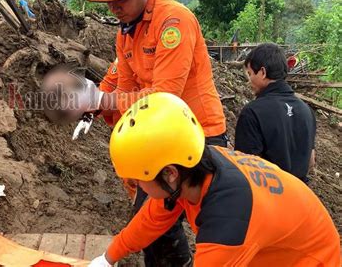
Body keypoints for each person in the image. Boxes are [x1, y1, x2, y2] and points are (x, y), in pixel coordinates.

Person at [88, 92, 340, 267]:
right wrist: (107, 258)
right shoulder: (195, 169)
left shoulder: (227, 221)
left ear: (169, 174)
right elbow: (150, 220)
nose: (135, 186)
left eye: (137, 180)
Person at [86, 0, 227, 265]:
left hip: (198, 133)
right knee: (153, 220)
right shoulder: (125, 32)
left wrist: (105, 100)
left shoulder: (174, 21)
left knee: (210, 218)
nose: (114, 8)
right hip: (158, 137)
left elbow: (165, 96)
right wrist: (99, 107)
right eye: (109, 2)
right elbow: (125, 90)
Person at [235, 43, 316, 183]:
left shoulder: (253, 112)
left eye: (250, 74)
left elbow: (246, 169)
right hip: (298, 195)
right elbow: (311, 161)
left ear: (263, 72)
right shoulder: (307, 111)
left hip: (268, 197)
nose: (249, 81)